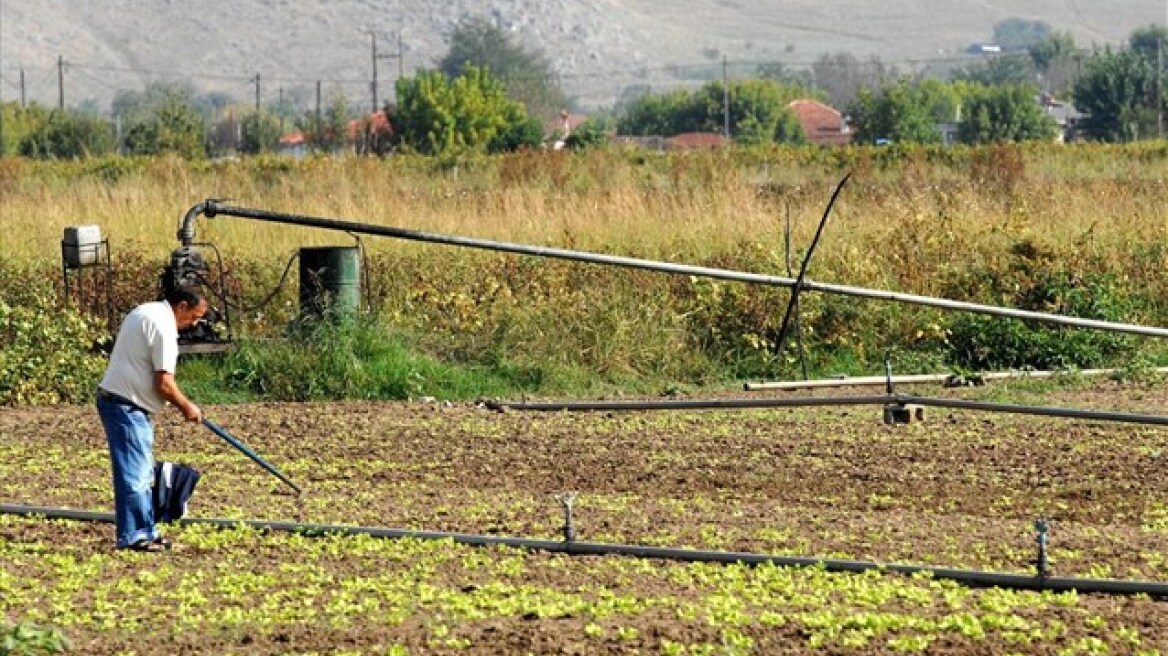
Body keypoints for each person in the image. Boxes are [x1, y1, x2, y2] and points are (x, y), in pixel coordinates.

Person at [96, 287, 207, 552]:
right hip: (125, 405)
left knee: (143, 471)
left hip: (124, 402)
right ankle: (134, 536)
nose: (194, 324)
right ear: (181, 306)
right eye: (194, 316)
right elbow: (164, 384)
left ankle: (146, 531)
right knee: (134, 475)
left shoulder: (146, 311)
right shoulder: (164, 328)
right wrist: (186, 407)